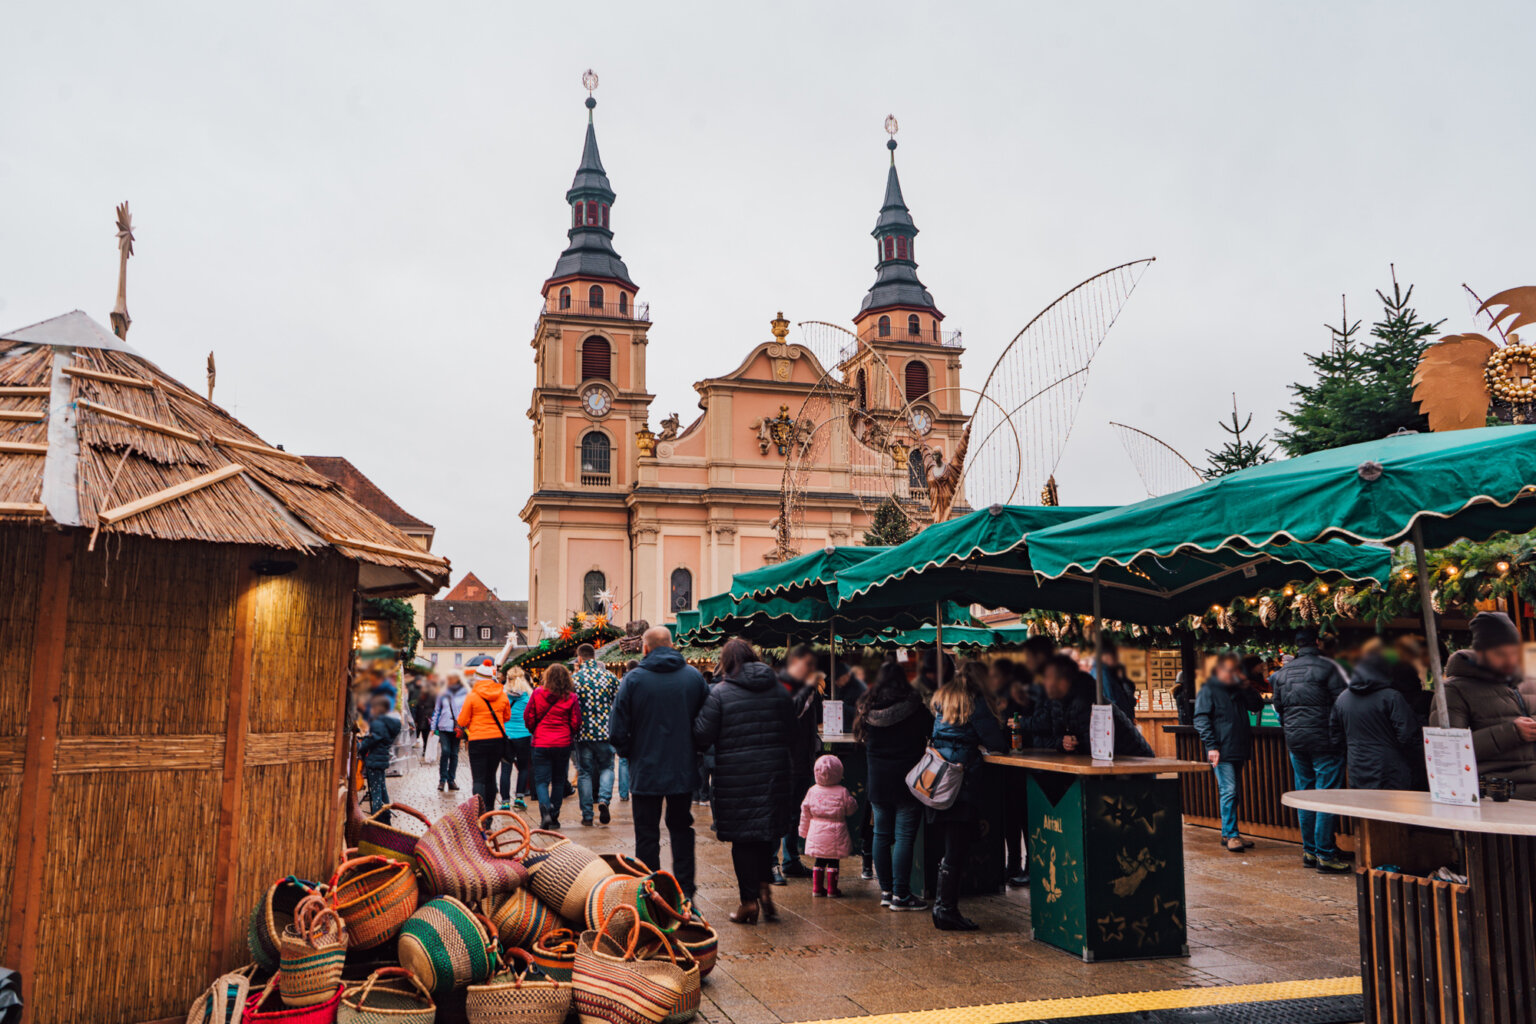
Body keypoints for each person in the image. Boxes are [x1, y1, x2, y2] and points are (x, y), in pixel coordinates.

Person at [693, 637, 794, 925]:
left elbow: (702, 734)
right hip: (774, 773)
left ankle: (748, 902)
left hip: (736, 776)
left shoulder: (720, 693)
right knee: (765, 832)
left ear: (726, 661)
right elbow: (792, 729)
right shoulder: (778, 688)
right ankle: (764, 887)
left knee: (743, 841)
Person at [609, 627, 711, 897]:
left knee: (646, 834)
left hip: (646, 769)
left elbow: (617, 729)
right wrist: (696, 749)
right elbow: (708, 721)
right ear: (672, 645)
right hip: (682, 767)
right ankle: (685, 890)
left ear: (645, 648)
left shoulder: (632, 680)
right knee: (681, 829)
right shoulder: (693, 677)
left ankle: (649, 890)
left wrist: (630, 752)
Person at [927, 659, 1009, 931]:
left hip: (941, 778)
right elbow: (997, 742)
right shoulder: (975, 702)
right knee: (957, 848)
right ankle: (945, 909)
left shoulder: (943, 699)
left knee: (951, 845)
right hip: (963, 780)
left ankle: (943, 908)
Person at [1269, 629, 1351, 871]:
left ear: (1296, 645)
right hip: (1325, 740)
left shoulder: (1282, 674)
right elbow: (1341, 703)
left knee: (1305, 793)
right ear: (1316, 642)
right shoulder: (1329, 668)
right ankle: (1325, 853)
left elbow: (1278, 708)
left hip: (1296, 741)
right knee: (1326, 795)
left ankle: (1310, 851)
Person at [855, 658, 932, 911]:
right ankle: (901, 894)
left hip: (878, 782)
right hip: (908, 782)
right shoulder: (914, 706)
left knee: (881, 835)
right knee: (903, 838)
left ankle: (886, 892)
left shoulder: (867, 708)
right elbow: (932, 732)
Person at [1444, 611, 1536, 799]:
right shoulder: (1456, 690)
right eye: (1500, 654)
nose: (1510, 660)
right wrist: (1512, 732)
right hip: (1500, 798)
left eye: (1514, 652)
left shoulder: (1531, 681)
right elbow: (1448, 751)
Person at [1193, 653, 1265, 852]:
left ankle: (1229, 833)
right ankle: (1231, 835)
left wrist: (1246, 686)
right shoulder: (1209, 690)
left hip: (1237, 747)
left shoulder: (1239, 689)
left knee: (1232, 793)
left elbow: (1257, 705)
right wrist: (1212, 746)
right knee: (1229, 791)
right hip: (1221, 749)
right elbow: (1200, 719)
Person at [1330, 649, 1420, 795]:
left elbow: (1335, 735)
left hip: (1356, 764)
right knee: (1392, 811)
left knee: (1364, 810)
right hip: (1390, 767)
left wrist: (1350, 752)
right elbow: (1408, 735)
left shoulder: (1342, 698)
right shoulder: (1392, 697)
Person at [1042, 655, 1153, 756]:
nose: (1046, 684)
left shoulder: (1086, 699)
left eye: (1050, 678)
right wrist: (1063, 742)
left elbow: (1094, 744)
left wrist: (1073, 743)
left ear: (1065, 680)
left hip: (1133, 759)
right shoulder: (1058, 701)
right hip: (1112, 762)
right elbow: (1056, 736)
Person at [776, 645, 822, 882]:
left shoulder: (807, 688)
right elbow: (791, 711)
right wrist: (806, 689)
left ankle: (791, 859)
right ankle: (772, 863)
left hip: (802, 759)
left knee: (795, 813)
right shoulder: (784, 685)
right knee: (780, 812)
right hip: (786, 760)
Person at [525, 664, 581, 828]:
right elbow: (576, 722)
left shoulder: (537, 693)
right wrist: (568, 732)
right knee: (558, 780)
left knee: (541, 781)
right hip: (562, 743)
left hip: (541, 742)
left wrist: (535, 730)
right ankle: (554, 815)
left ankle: (545, 812)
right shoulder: (571, 697)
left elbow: (528, 716)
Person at [572, 644, 620, 826]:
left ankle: (587, 815)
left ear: (580, 658)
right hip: (605, 731)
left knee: (584, 772)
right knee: (607, 767)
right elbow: (619, 701)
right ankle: (604, 799)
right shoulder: (609, 677)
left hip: (583, 734)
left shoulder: (575, 679)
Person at [455, 662, 512, 812]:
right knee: (491, 776)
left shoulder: (472, 696)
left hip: (478, 740)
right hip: (497, 740)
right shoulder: (502, 694)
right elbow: (507, 717)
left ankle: (479, 814)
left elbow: (462, 721)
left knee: (479, 779)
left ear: (478, 679)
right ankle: (490, 812)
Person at [800, 754, 859, 898]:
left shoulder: (812, 791)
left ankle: (817, 888)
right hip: (836, 833)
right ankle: (832, 889)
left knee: (819, 860)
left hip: (816, 832)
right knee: (833, 861)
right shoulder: (842, 792)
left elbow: (805, 812)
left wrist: (803, 831)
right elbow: (851, 809)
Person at [357, 694, 400, 822]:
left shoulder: (378, 722)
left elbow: (373, 739)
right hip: (381, 759)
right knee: (382, 789)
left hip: (374, 760)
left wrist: (361, 746)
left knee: (376, 792)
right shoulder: (388, 722)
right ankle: (385, 818)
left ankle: (376, 821)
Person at [501, 667, 534, 811]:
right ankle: (520, 797)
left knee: (506, 768)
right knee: (523, 768)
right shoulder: (528, 695)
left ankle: (505, 801)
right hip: (524, 735)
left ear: (508, 679)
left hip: (507, 735)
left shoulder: (503, 695)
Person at [431, 674, 468, 792]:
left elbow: (465, 711)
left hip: (457, 728)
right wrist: (433, 727)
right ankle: (442, 780)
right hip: (443, 726)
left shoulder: (464, 695)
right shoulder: (442, 694)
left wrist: (464, 725)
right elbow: (437, 711)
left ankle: (451, 780)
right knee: (445, 751)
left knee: (454, 754)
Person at [1093, 644, 1137, 720]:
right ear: (1105, 657)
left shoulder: (1109, 672)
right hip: (1116, 718)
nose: (1115, 659)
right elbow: (1109, 698)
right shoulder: (1102, 674)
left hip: (1121, 716)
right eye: (1113, 656)